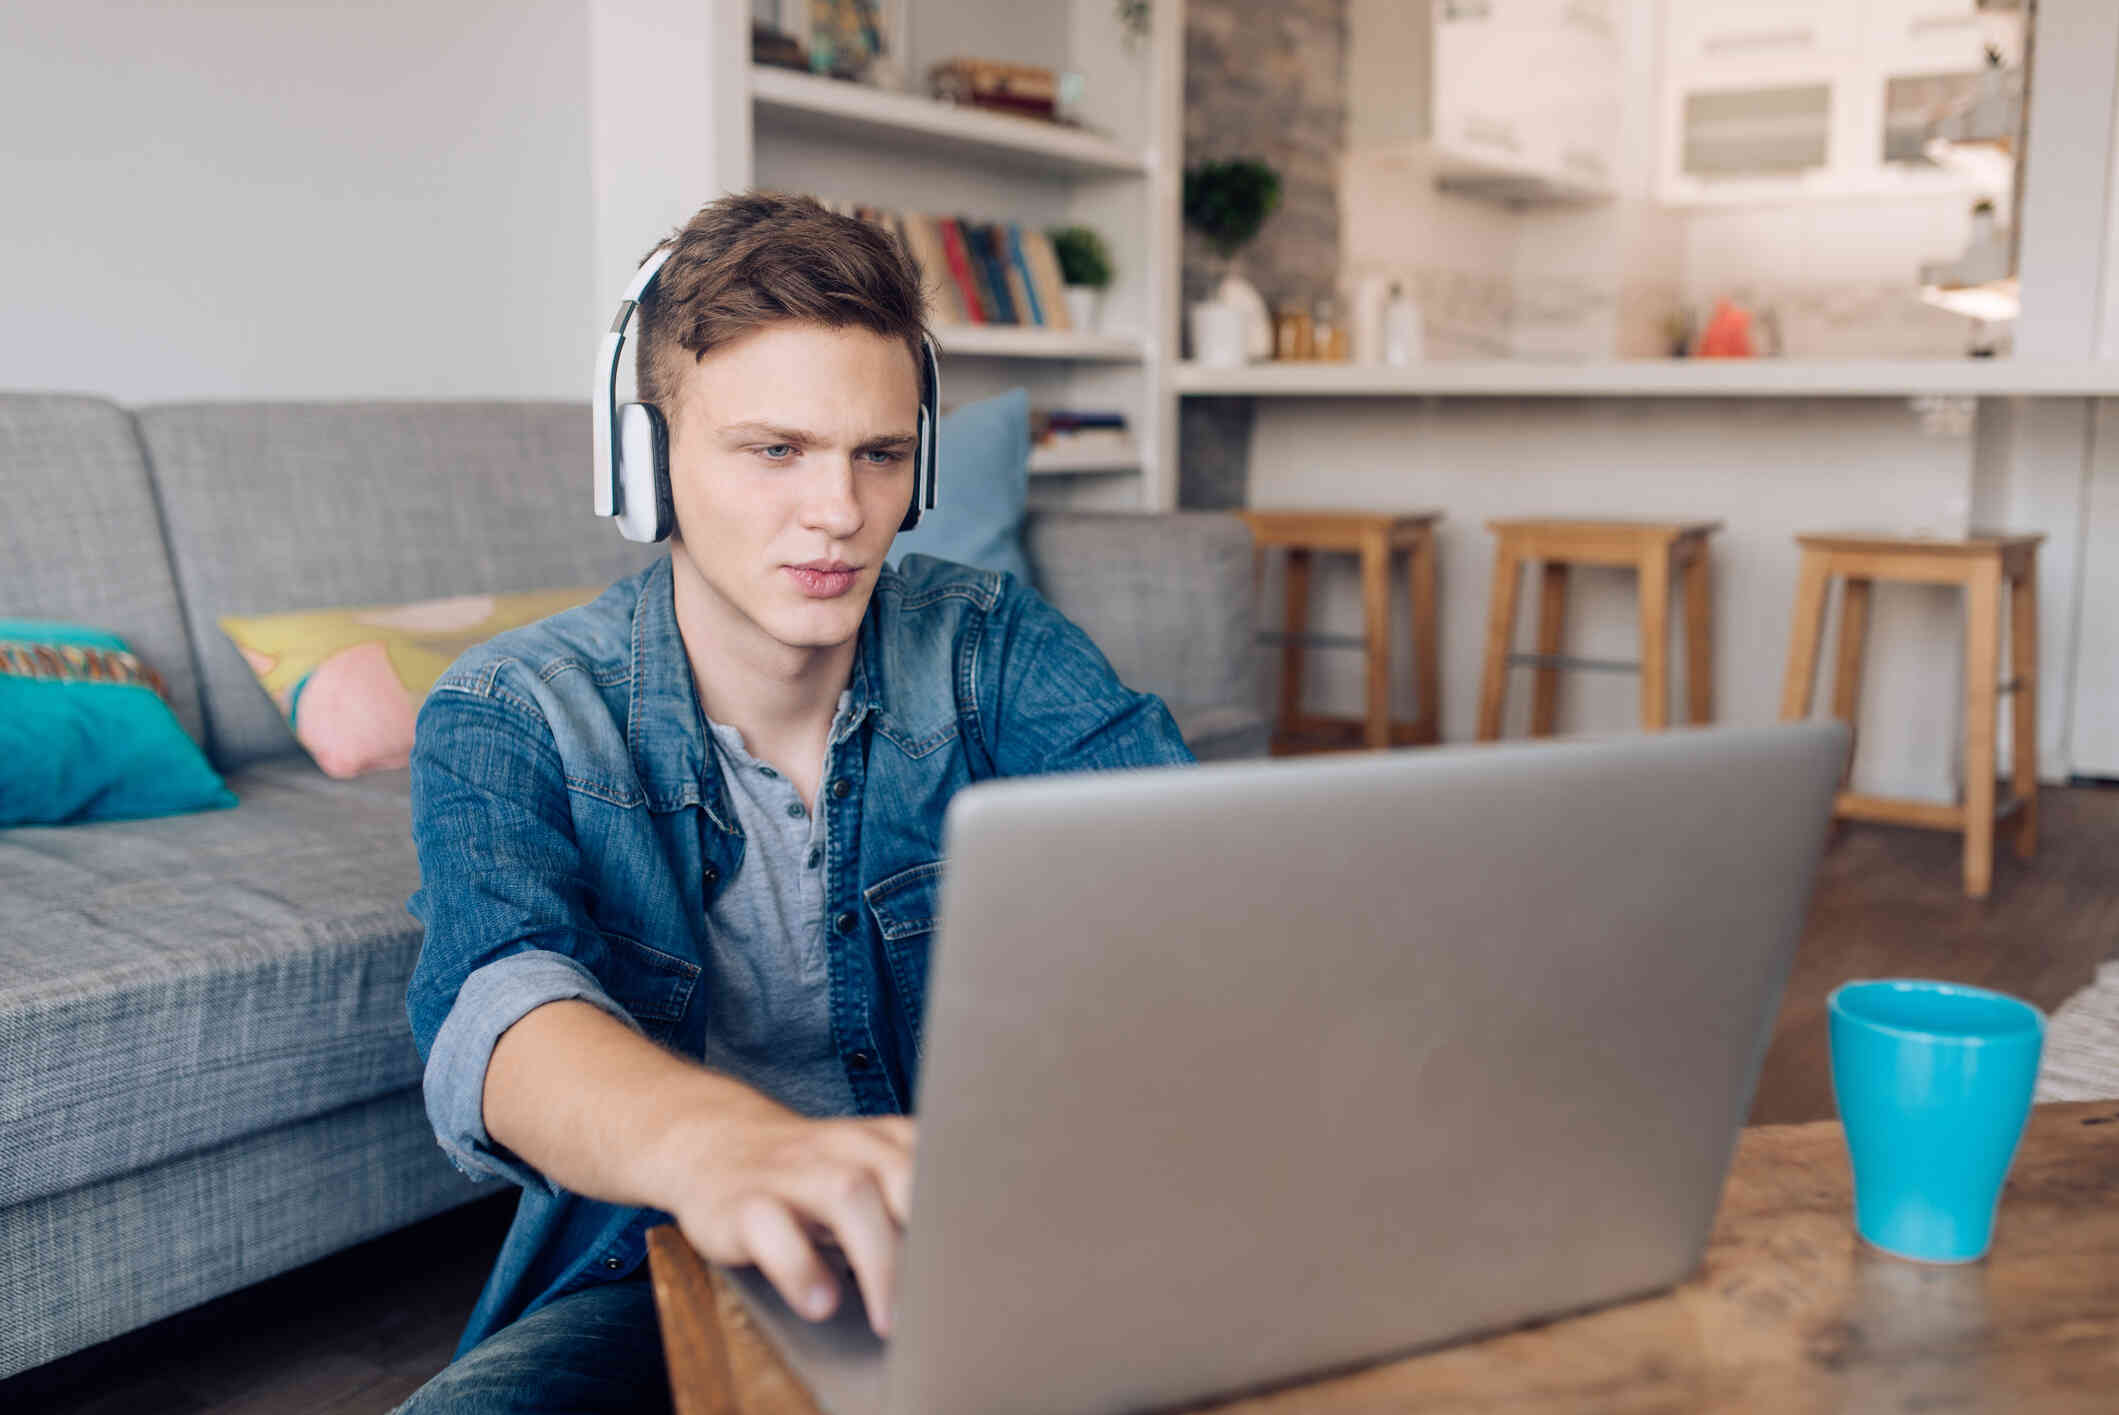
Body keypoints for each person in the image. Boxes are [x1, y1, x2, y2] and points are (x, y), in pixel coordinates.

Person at [391, 189, 1196, 1414]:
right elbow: (501, 1008)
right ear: (643, 461)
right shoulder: (510, 709)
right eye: (774, 451)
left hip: (996, 1238)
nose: (840, 512)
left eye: (878, 454)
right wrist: (737, 1150)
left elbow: (1198, 884)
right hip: (650, 1269)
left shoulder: (989, 646)